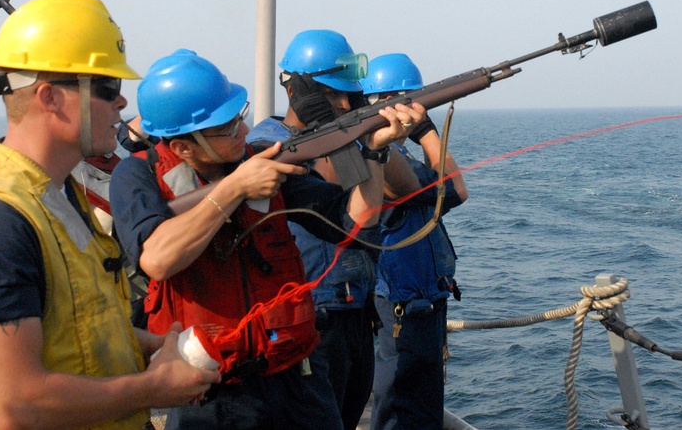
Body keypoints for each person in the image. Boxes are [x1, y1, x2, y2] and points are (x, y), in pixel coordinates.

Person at [0, 0, 219, 430]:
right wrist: (153, 388)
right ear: (50, 97)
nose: (122, 104)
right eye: (107, 88)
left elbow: (71, 320)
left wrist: (147, 345)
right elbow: (18, 404)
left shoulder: (56, 192)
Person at [109, 48, 424, 430]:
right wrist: (236, 187)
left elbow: (356, 225)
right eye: (226, 128)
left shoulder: (260, 159)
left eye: (237, 119)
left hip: (298, 378)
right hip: (213, 392)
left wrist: (374, 150)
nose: (243, 132)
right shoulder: (135, 176)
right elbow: (157, 259)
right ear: (182, 147)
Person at [247, 30, 424, 430]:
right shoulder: (266, 145)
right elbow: (335, 195)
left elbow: (409, 189)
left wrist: (371, 134)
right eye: (332, 94)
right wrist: (340, 132)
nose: (344, 103)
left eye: (352, 95)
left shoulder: (346, 135)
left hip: (355, 312)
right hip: (311, 316)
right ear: (298, 91)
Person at [362, 54, 469, 430]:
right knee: (404, 409)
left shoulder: (395, 155)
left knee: (417, 407)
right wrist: (426, 131)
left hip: (419, 298)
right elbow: (456, 189)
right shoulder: (385, 159)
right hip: (401, 302)